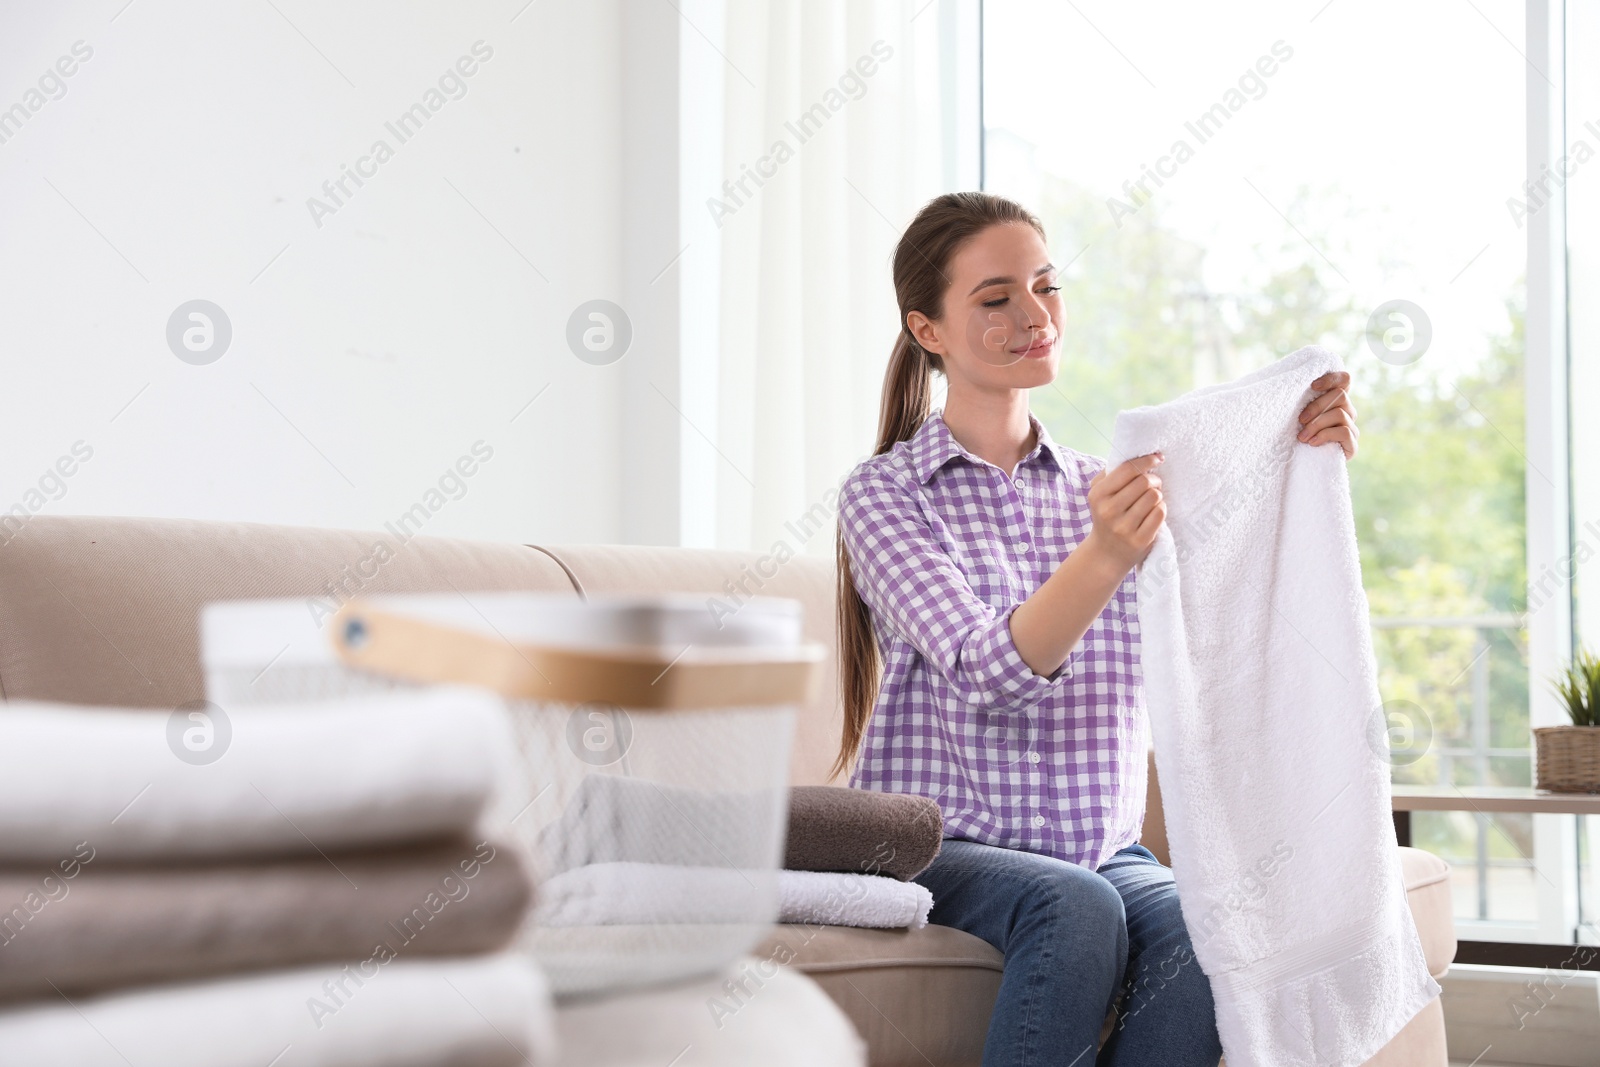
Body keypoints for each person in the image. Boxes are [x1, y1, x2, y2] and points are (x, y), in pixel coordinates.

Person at [832, 191, 1357, 1066]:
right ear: (929, 330)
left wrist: (1304, 460)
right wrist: (1105, 555)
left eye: (1046, 285)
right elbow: (984, 666)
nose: (1035, 315)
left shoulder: (1102, 489)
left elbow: (1227, 622)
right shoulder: (885, 494)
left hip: (1099, 849)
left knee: (1209, 928)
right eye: (996, 298)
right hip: (941, 845)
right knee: (1076, 907)